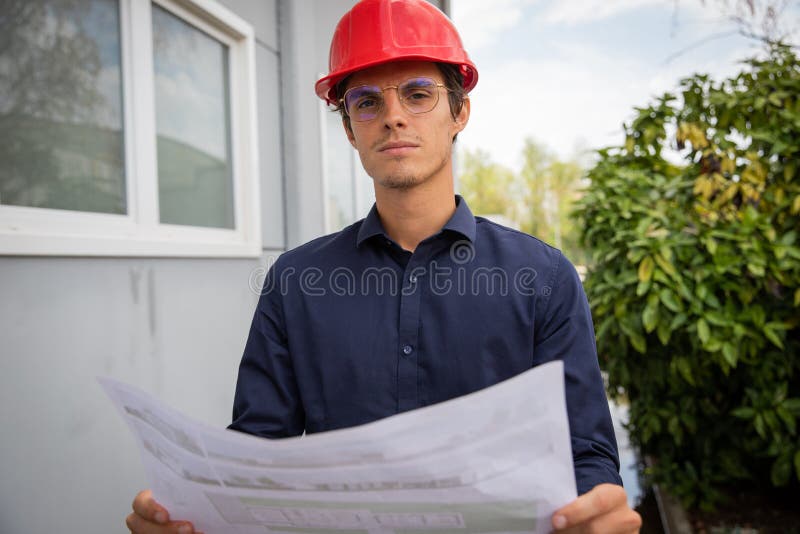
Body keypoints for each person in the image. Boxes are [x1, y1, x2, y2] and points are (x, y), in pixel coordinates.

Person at [126, 1, 642, 533]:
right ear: (350, 130)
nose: (393, 115)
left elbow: (586, 454)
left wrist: (595, 510)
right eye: (367, 102)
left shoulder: (544, 277)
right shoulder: (296, 283)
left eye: (418, 94)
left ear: (459, 112)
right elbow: (256, 458)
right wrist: (196, 512)